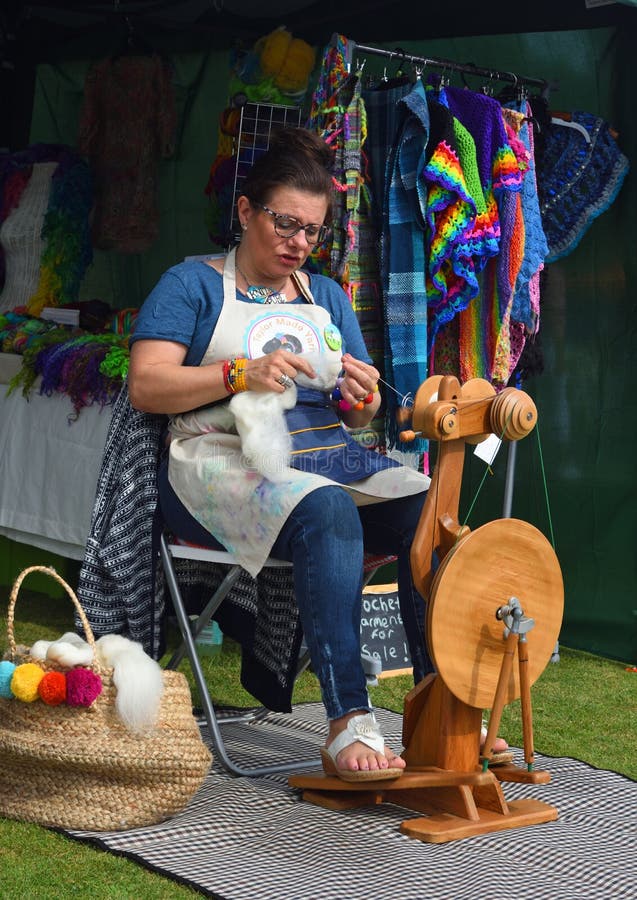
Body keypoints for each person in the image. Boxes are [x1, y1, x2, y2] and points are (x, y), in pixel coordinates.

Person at [128, 127, 504, 782]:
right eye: (285, 223)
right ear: (245, 211)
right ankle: (347, 723)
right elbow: (147, 385)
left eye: (311, 231)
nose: (298, 242)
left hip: (323, 454)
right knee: (327, 508)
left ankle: (441, 711)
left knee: (429, 510)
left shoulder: (324, 295)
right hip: (215, 460)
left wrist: (359, 398)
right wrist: (238, 374)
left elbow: (354, 407)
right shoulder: (189, 285)